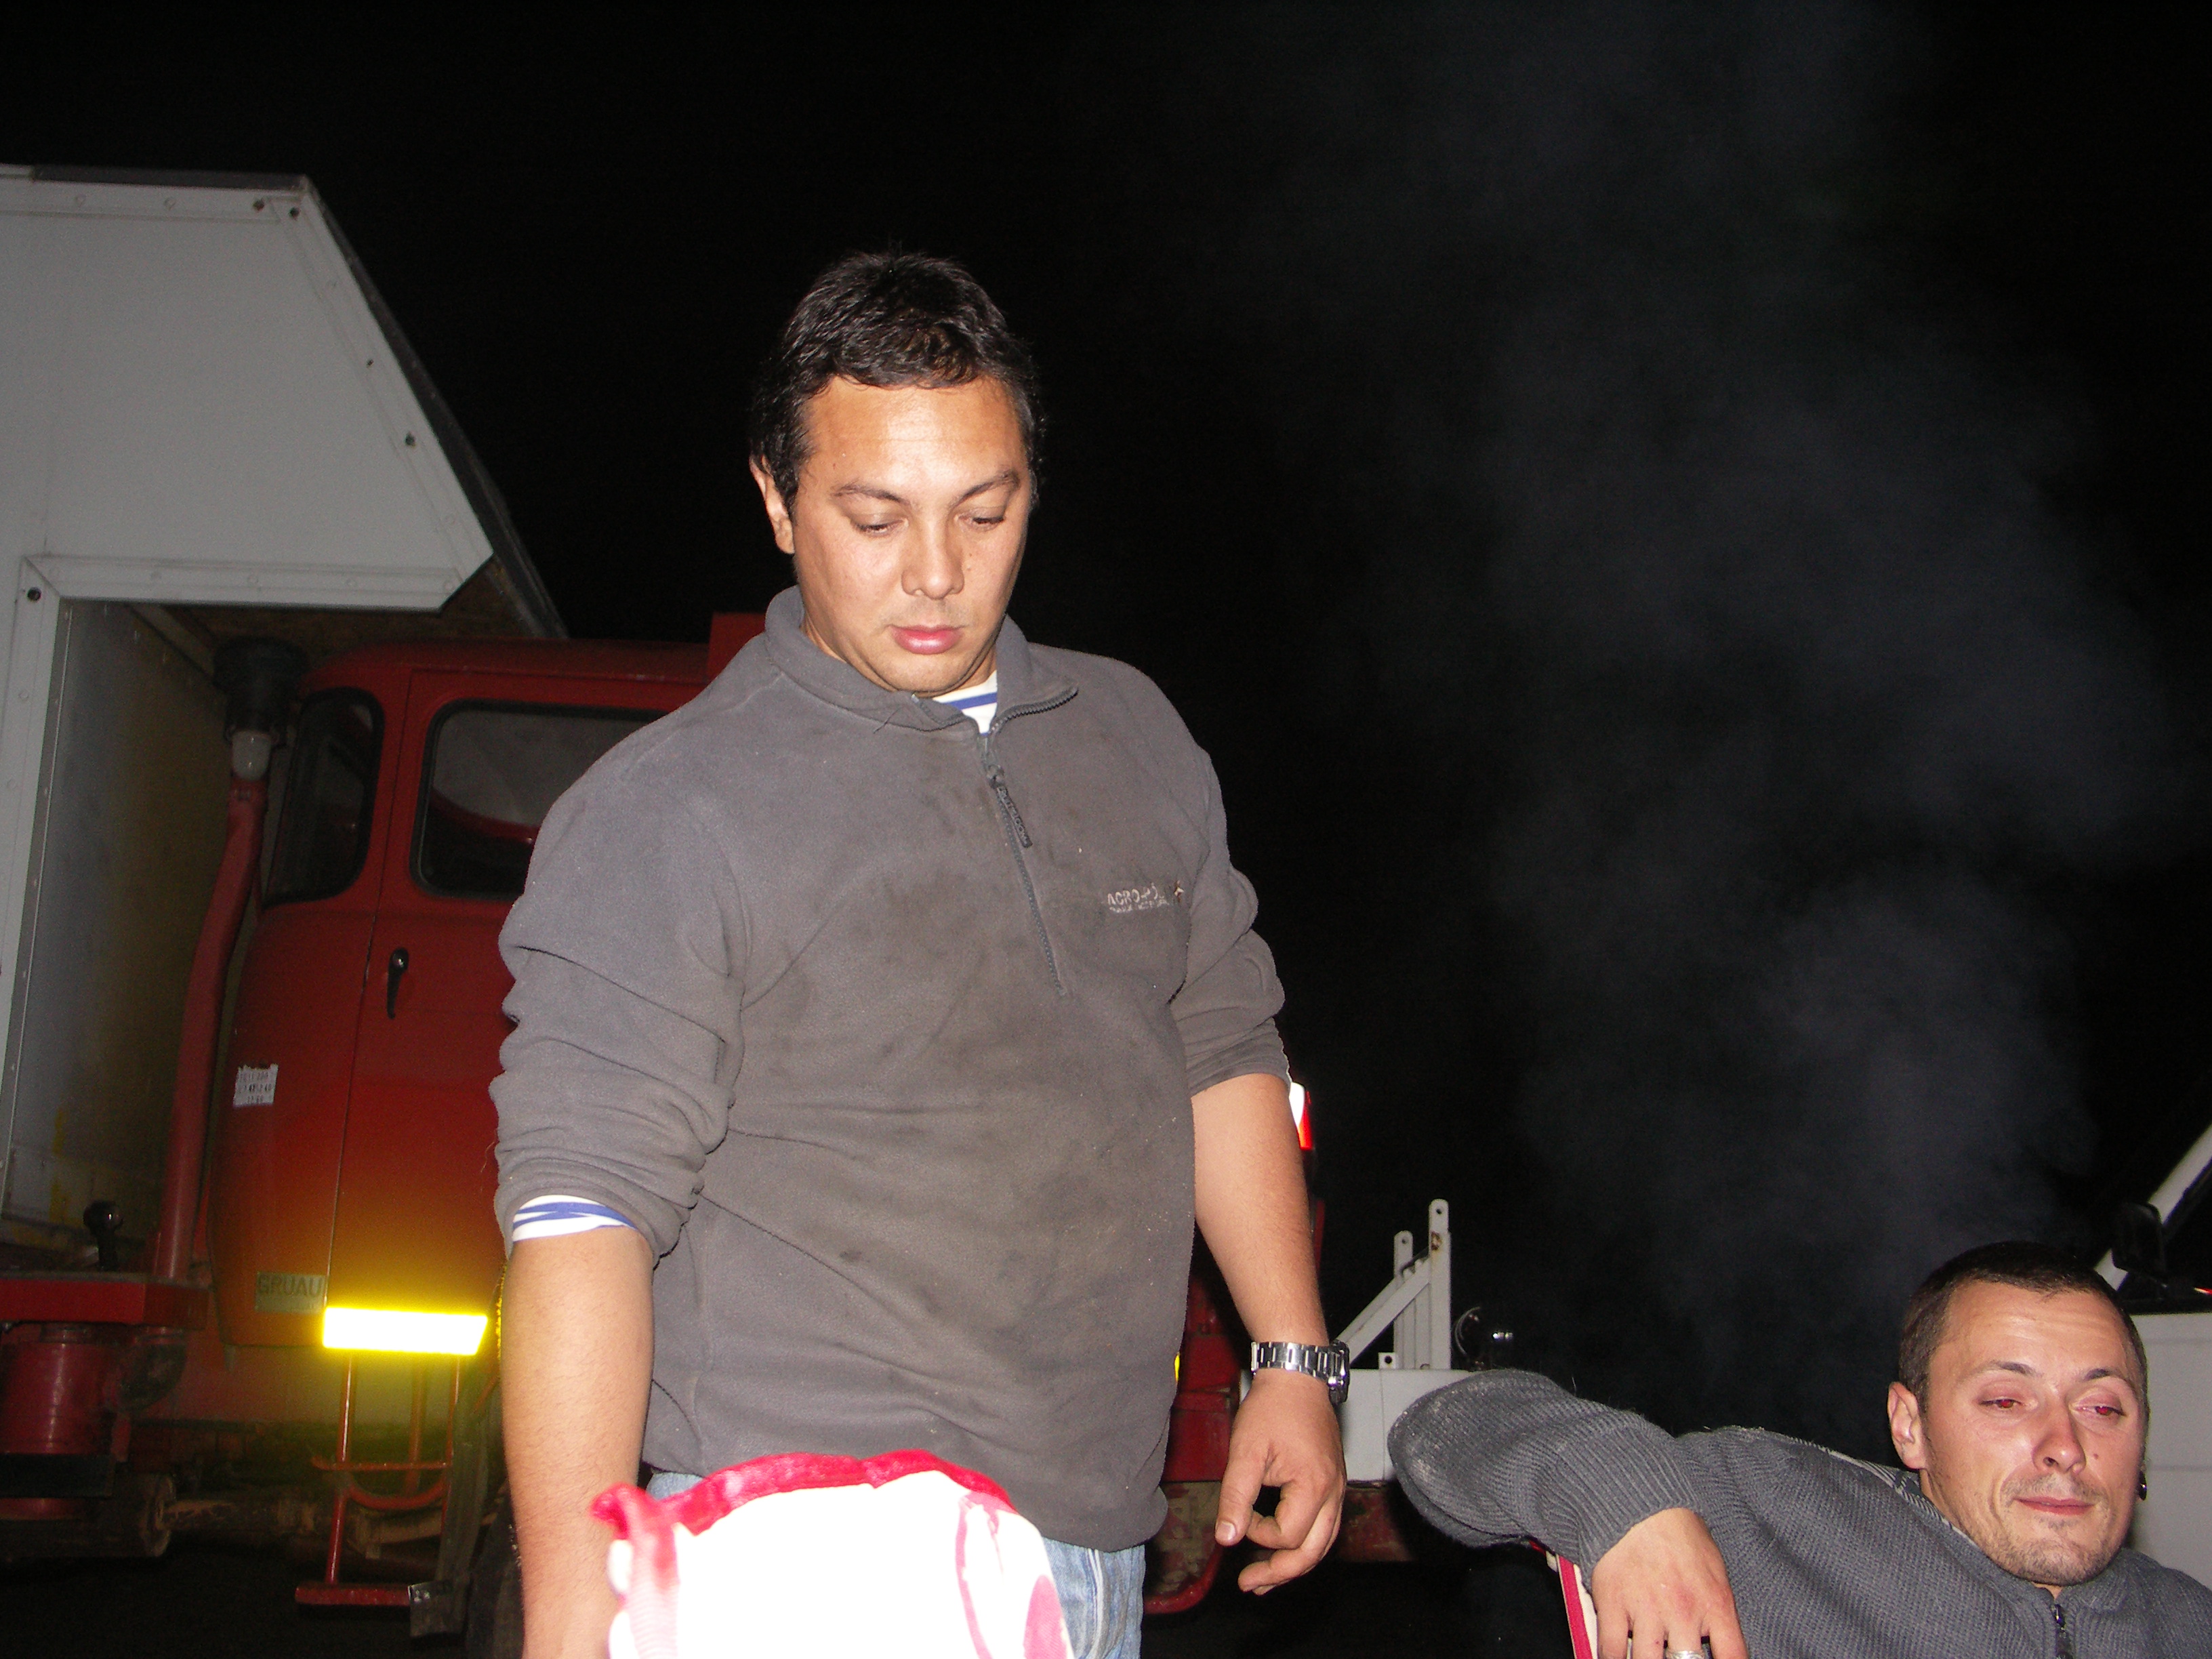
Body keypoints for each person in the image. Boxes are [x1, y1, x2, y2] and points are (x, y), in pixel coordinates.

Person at [491, 252, 1345, 1659]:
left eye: (984, 511)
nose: (937, 573)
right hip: (811, 1550)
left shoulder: (1130, 737)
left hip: (1093, 1528)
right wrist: (578, 1607)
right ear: (777, 501)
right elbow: (581, 1217)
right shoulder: (669, 809)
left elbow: (1221, 1045)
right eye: (875, 517)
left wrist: (1294, 1358)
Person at [1391, 1242, 2212, 1658]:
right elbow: (1446, 1428)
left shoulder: (2186, 1622)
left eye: (2103, 1407)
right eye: (2006, 1400)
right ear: (1910, 1426)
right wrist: (1629, 1505)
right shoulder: (1779, 1520)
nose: (2065, 1446)